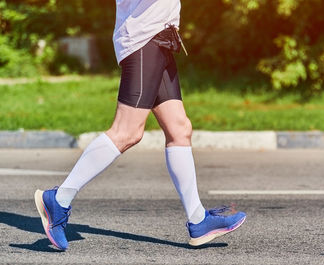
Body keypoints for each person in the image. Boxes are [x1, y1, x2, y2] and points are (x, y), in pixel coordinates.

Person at [34, 0, 246, 251]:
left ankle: (198, 220)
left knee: (180, 129)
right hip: (144, 40)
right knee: (127, 131)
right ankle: (59, 199)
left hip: (161, 37)